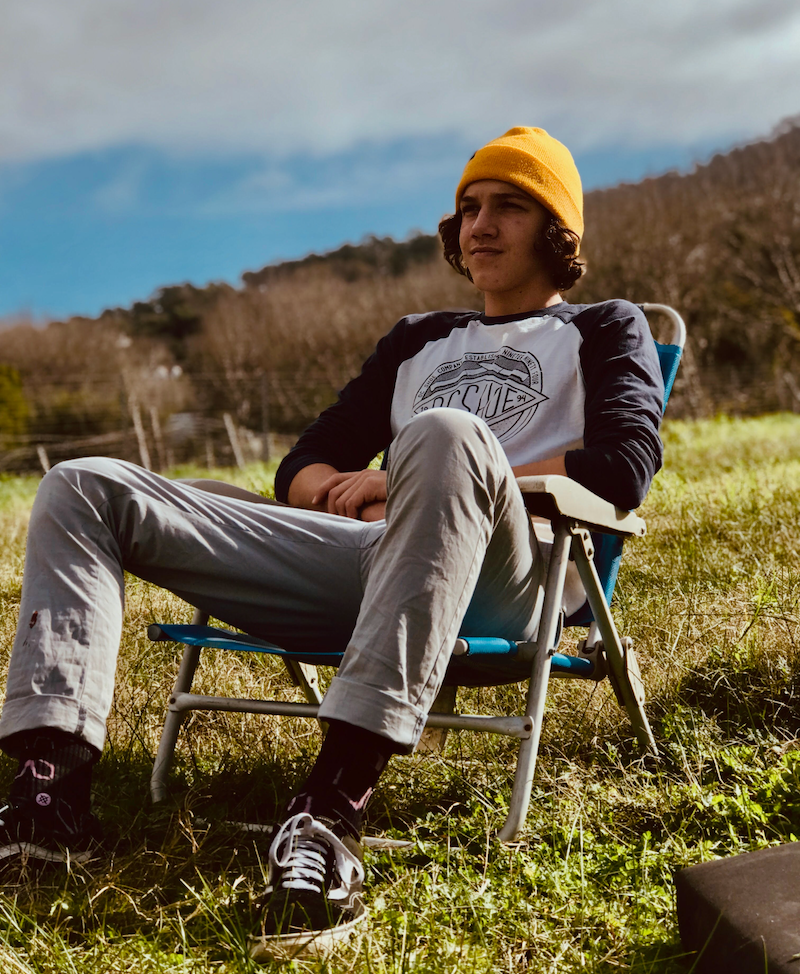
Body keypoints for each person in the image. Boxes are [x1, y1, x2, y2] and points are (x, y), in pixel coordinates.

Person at [0, 127, 664, 959]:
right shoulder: (418, 338)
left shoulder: (605, 326)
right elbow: (302, 464)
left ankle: (332, 811)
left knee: (448, 436)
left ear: (557, 230)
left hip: (509, 573)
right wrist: (338, 491)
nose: (479, 225)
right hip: (366, 564)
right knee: (83, 482)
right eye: (467, 208)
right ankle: (47, 793)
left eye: (509, 206)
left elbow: (623, 466)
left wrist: (411, 475)